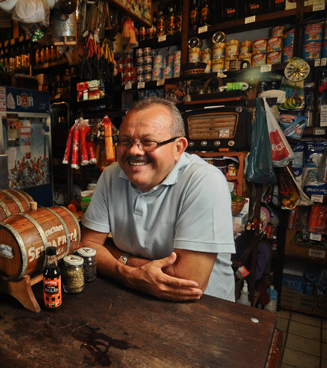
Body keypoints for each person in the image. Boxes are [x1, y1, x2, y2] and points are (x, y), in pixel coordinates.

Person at [80, 97, 236, 302]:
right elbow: (86, 246)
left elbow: (187, 281)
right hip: (133, 298)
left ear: (178, 148)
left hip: (204, 309)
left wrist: (113, 255)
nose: (134, 150)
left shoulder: (205, 180)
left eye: (148, 142)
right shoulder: (111, 175)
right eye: (126, 141)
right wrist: (129, 274)